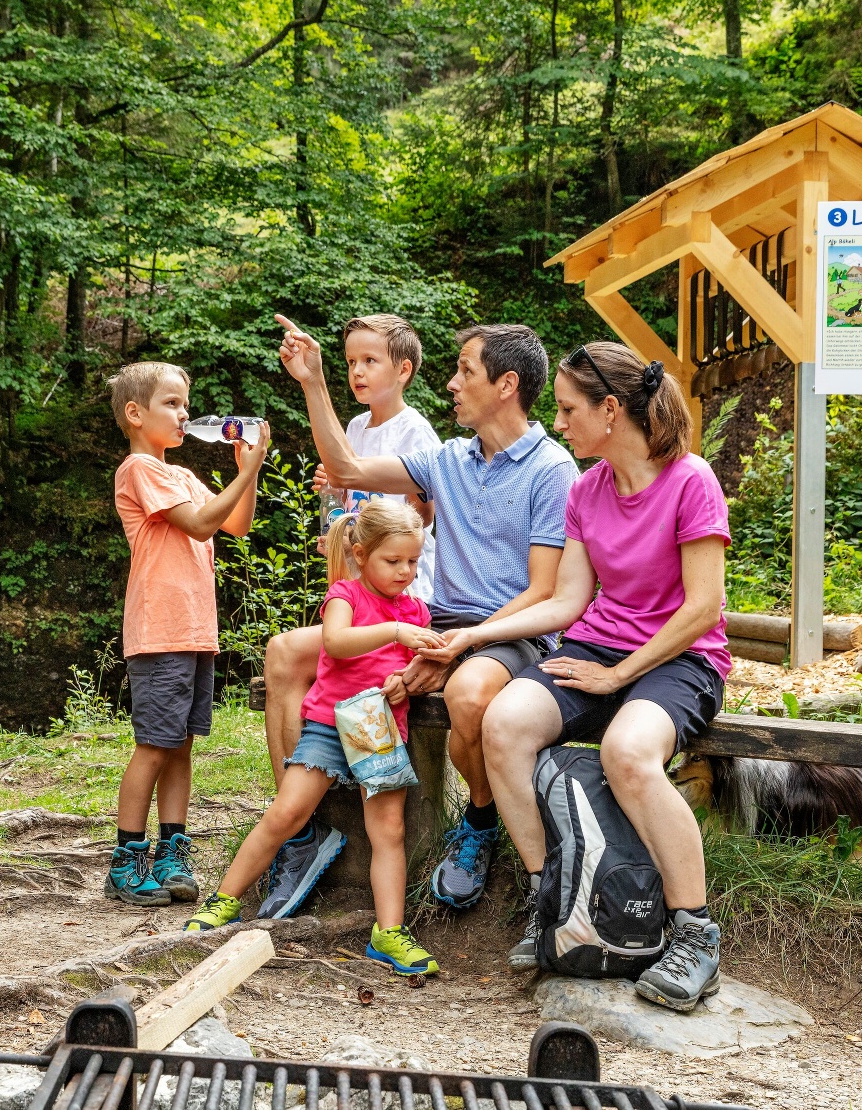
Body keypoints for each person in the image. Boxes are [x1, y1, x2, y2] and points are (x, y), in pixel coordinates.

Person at [430, 341, 730, 1011]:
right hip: (597, 649)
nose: (559, 423)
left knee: (628, 753)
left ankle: (694, 934)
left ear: (611, 409)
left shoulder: (690, 480)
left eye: (568, 409)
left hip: (682, 659)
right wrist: (475, 634)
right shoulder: (586, 489)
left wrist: (620, 672)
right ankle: (554, 900)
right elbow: (567, 601)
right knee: (504, 724)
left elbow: (702, 606)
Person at [269, 316, 578, 915]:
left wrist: (460, 645)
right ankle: (297, 829)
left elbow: (545, 592)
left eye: (465, 371)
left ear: (506, 384)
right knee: (285, 651)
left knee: (466, 697)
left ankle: (480, 822)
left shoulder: (552, 470)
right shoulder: (448, 460)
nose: (452, 385)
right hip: (435, 620)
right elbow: (348, 472)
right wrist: (312, 382)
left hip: (509, 630)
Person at [184, 499, 445, 976]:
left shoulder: (416, 611)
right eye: (394, 561)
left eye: (413, 560)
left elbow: (415, 666)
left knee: (389, 831)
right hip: (329, 723)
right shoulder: (346, 595)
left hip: (379, 731)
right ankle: (224, 901)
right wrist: (396, 632)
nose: (405, 571)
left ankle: (388, 932)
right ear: (362, 554)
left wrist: (405, 677)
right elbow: (337, 643)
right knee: (287, 811)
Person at [260, 316, 441, 909]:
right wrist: (337, 512)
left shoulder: (419, 438)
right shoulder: (359, 428)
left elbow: (422, 523)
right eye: (350, 363)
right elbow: (343, 529)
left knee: (286, 652)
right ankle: (301, 823)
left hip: (406, 606)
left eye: (370, 361)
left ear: (404, 370)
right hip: (360, 601)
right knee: (286, 655)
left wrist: (313, 386)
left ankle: (300, 823)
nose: (357, 372)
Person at [108, 362, 271, 906]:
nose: (185, 415)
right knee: (153, 746)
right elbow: (201, 524)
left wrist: (245, 472)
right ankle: (126, 859)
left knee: (179, 746)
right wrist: (246, 473)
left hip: (194, 631)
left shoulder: (179, 474)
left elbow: (236, 523)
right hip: (159, 630)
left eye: (185, 404)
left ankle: (171, 851)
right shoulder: (139, 469)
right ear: (136, 414)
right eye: (172, 404)